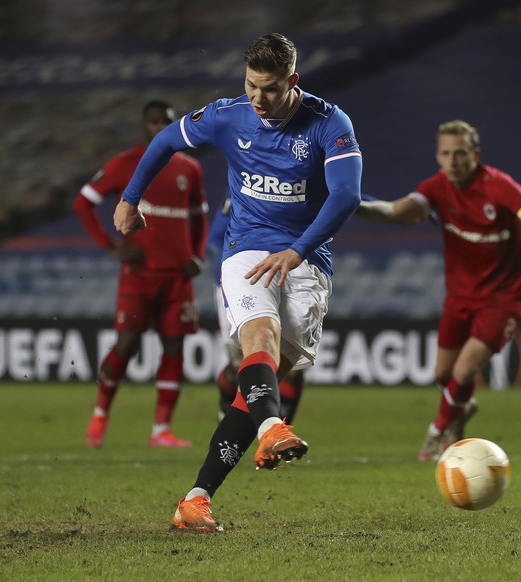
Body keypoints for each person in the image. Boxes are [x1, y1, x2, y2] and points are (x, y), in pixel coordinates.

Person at [113, 33, 362, 532]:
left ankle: (195, 500)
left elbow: (346, 197)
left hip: (306, 261)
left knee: (254, 392)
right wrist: (130, 197)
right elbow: (165, 142)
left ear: (293, 81)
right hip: (245, 248)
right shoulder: (228, 114)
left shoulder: (329, 124)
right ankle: (274, 426)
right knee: (260, 338)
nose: (257, 97)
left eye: (269, 89)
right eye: (250, 85)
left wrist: (296, 251)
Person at [355, 119, 521, 461]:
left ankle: (437, 432)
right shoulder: (435, 189)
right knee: (443, 374)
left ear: (475, 154)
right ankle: (461, 410)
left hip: (504, 298)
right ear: (437, 156)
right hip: (460, 296)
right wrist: (348, 202)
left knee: (464, 370)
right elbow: (393, 212)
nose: (452, 161)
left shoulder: (500, 187)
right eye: (445, 154)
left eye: (460, 153)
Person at [74, 99, 208, 449]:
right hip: (140, 274)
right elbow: (83, 203)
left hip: (177, 277)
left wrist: (197, 254)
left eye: (165, 121)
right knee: (127, 343)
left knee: (175, 347)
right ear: (143, 125)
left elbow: (200, 217)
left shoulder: (189, 168)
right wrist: (110, 246)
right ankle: (101, 414)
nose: (158, 126)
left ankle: (161, 430)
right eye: (152, 121)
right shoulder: (126, 164)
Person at [208, 195, 306, 423]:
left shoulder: (305, 177)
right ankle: (227, 421)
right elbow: (215, 238)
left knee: (293, 362)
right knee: (239, 366)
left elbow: (342, 193)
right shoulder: (243, 186)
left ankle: (280, 433)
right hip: (243, 281)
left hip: (287, 278)